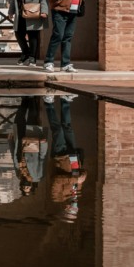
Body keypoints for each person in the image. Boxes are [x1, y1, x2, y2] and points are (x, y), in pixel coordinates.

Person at [44, 93, 85, 221]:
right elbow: (81, 175)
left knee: (58, 130)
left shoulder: (57, 197)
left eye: (72, 210)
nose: (74, 207)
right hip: (73, 158)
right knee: (68, 128)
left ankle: (48, 103)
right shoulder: (76, 194)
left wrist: (75, 180)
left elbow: (57, 180)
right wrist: (83, 176)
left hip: (59, 157)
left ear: (66, 209)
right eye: (75, 209)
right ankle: (64, 100)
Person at [12, 0, 48, 66]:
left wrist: (44, 10)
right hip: (20, 10)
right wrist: (11, 10)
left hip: (33, 10)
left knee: (33, 34)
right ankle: (25, 53)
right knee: (18, 33)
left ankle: (32, 57)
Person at [10, 95, 46, 197]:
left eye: (24, 188)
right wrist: (44, 145)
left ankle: (24, 100)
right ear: (31, 186)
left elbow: (14, 158)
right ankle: (32, 99)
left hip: (20, 144)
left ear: (21, 186)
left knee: (18, 119)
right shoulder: (38, 176)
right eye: (28, 188)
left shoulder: (18, 175)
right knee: (32, 118)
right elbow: (42, 158)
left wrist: (10, 142)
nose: (26, 187)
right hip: (32, 144)